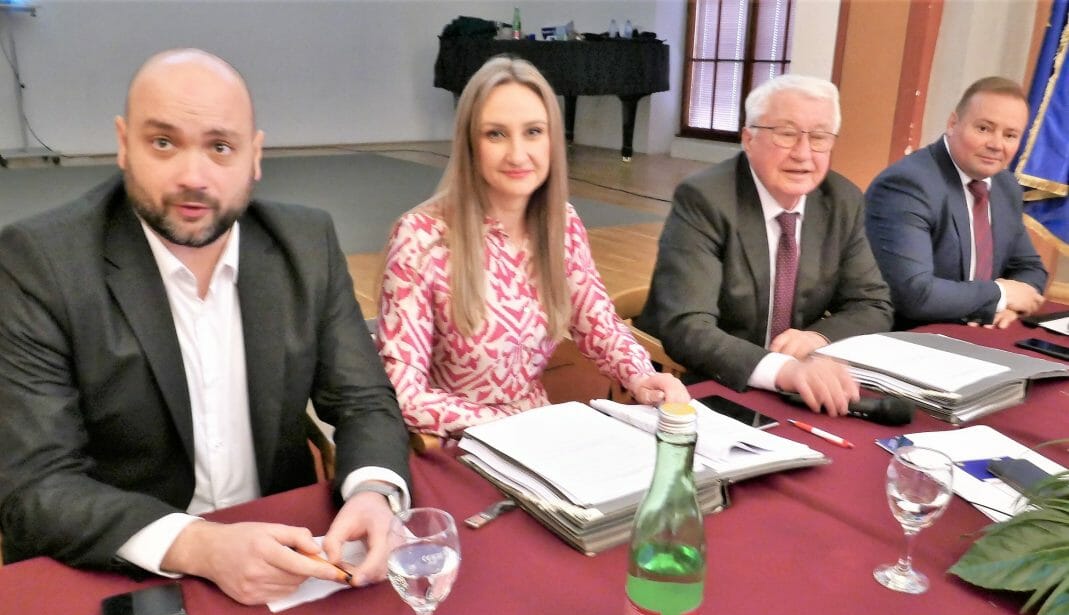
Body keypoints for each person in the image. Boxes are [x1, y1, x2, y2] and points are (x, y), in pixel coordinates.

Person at [0, 49, 411, 605]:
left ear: (254, 156)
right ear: (123, 144)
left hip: (286, 559)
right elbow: (35, 483)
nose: (193, 177)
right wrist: (200, 545)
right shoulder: (40, 263)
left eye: (220, 147)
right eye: (163, 142)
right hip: (131, 569)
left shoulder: (306, 245)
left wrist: (374, 491)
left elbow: (364, 399)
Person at [375, 56, 688, 438]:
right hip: (459, 443)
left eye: (534, 132)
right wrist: (509, 425)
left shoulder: (561, 223)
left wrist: (640, 375)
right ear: (469, 144)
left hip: (539, 438)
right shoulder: (421, 238)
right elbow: (404, 394)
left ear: (553, 140)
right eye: (496, 134)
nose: (518, 154)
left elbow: (600, 325)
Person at [635, 74, 893, 416]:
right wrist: (782, 370)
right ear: (749, 138)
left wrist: (817, 338)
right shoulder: (706, 198)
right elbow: (688, 326)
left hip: (795, 391)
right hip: (704, 383)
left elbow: (872, 304)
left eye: (819, 137)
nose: (803, 153)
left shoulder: (842, 200)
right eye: (786, 134)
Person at [864, 76, 1047, 329]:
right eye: (984, 129)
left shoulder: (1005, 186)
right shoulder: (907, 185)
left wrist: (1009, 307)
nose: (996, 145)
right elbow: (915, 295)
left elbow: (1030, 268)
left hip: (976, 332)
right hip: (909, 336)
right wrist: (1000, 295)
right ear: (953, 123)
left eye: (1010, 135)